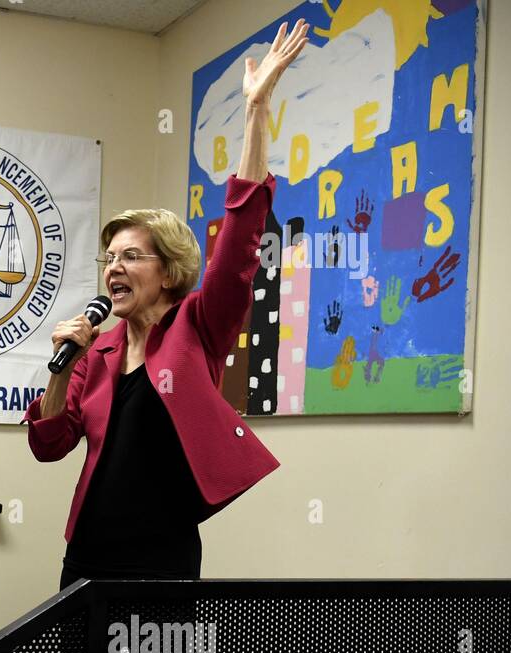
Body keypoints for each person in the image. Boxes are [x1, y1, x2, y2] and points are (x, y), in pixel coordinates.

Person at [28, 21, 306, 590]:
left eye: (131, 256)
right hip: (85, 559)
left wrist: (256, 112)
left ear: (170, 271)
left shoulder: (198, 326)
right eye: (109, 258)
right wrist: (60, 366)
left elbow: (238, 245)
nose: (114, 268)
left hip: (162, 561)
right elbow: (49, 445)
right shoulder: (96, 347)